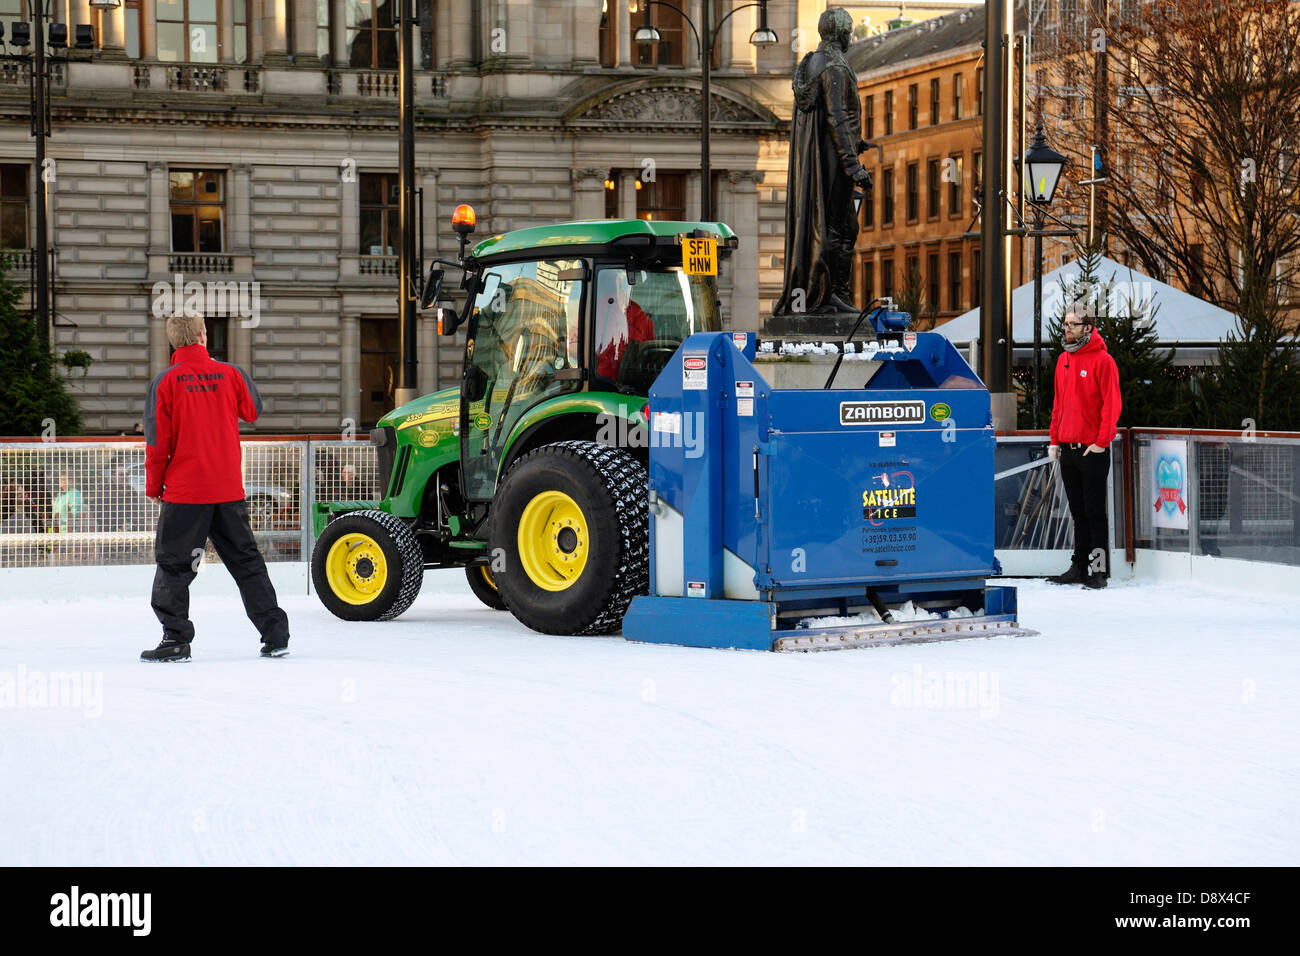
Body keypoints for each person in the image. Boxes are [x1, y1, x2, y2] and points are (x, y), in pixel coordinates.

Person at [140, 314, 291, 662]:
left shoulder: (165, 382)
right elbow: (252, 411)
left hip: (186, 492)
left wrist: (153, 484)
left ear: (174, 342)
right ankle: (275, 634)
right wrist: (232, 377)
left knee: (175, 566)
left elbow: (157, 441)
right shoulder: (231, 374)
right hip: (227, 490)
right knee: (246, 562)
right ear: (203, 335)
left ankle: (175, 639)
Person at [774, 6, 873, 317]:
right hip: (831, 165)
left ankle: (835, 293)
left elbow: (829, 120)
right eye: (850, 30)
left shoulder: (812, 62)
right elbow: (837, 118)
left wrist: (856, 144)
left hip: (822, 161)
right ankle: (828, 293)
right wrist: (853, 164)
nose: (851, 36)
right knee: (838, 227)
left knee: (840, 226)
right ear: (842, 33)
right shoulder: (834, 65)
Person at [1047, 306, 1123, 588]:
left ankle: (1099, 571)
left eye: (1073, 324)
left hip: (1092, 450)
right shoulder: (1063, 360)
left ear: (1088, 327)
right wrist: (1054, 440)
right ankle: (1078, 567)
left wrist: (1101, 443)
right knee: (1078, 513)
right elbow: (1058, 405)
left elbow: (1111, 405)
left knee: (1094, 513)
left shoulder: (1103, 361)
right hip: (1068, 449)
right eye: (1065, 324)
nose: (1067, 329)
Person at [594, 271, 655, 383]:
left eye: (627, 284)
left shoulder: (643, 320)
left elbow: (651, 357)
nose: (625, 288)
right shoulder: (596, 310)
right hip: (601, 385)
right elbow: (576, 345)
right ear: (615, 286)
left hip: (635, 385)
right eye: (620, 284)